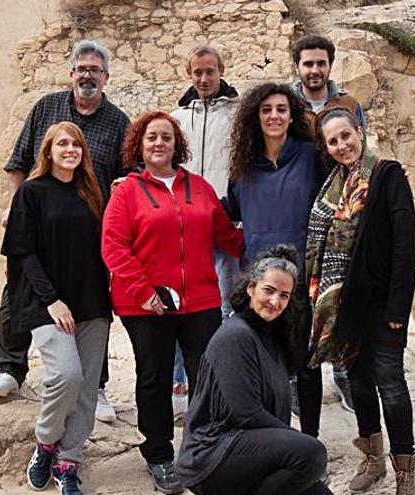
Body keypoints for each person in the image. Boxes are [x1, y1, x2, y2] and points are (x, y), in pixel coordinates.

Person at [0, 39, 128, 424]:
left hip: (88, 229)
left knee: (91, 301)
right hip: (39, 216)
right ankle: (11, 369)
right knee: (18, 287)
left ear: (106, 78)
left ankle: (94, 388)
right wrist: (17, 211)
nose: (87, 75)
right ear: (70, 74)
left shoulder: (118, 122)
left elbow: (127, 176)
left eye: (94, 70)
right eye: (81, 68)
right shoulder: (45, 108)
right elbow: (19, 162)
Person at [101, 110, 243, 494]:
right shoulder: (126, 193)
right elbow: (113, 247)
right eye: (151, 138)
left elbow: (226, 236)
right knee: (155, 378)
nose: (159, 143)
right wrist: (144, 292)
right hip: (146, 305)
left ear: (176, 144)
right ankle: (159, 455)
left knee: (206, 378)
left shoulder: (199, 188)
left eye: (166, 136)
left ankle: (199, 449)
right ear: (139, 146)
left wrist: (265, 246)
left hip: (200, 300)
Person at [306, 108, 415, 495]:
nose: (341, 146)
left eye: (346, 136)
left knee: (390, 384)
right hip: (344, 307)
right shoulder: (332, 188)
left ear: (360, 132)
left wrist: (397, 311)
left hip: (383, 305)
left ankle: (405, 471)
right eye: (333, 141)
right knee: (359, 383)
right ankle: (372, 458)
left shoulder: (388, 176)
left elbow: (406, 247)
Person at [4, 122, 111, 495]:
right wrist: (52, 300)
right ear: (48, 152)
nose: (70, 149)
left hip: (93, 302)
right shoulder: (31, 193)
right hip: (47, 303)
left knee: (86, 389)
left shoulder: (92, 195)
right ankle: (46, 442)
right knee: (66, 376)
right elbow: (22, 251)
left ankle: (69, 460)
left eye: (76, 144)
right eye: (62, 144)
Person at [176, 245, 332, 495]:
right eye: (268, 291)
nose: (275, 301)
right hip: (214, 452)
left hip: (252, 449)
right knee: (311, 453)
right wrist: (297, 444)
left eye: (284, 295)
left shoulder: (275, 336)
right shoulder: (235, 336)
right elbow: (246, 414)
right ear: (251, 288)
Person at [223, 82, 329, 438]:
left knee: (307, 366)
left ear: (291, 114)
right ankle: (274, 441)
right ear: (256, 116)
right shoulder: (243, 166)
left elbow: (348, 179)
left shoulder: (310, 156)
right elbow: (229, 211)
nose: (274, 116)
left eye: (281, 109)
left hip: (302, 278)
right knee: (267, 367)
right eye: (266, 109)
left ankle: (310, 442)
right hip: (259, 281)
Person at [291, 34, 369, 415]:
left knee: (341, 290)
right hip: (305, 204)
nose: (315, 70)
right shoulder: (288, 104)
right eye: (308, 63)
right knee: (306, 295)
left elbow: (362, 147)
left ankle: (343, 371)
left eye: (321, 63)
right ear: (298, 67)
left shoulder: (348, 103)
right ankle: (301, 377)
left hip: (344, 204)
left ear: (329, 65)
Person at [169, 45, 242, 420]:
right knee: (181, 301)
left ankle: (225, 381)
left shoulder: (239, 113)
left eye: (210, 72)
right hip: (183, 223)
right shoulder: (178, 116)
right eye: (197, 72)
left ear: (221, 70)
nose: (203, 79)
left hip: (224, 219)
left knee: (227, 302)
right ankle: (180, 383)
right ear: (189, 73)